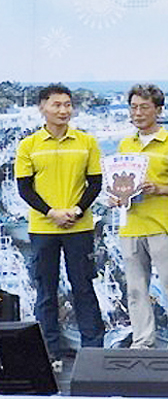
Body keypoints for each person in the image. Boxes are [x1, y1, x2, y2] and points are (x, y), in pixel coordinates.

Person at [14, 83, 105, 369]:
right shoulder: (28, 145)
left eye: (67, 105)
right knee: (46, 291)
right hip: (43, 229)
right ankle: (49, 351)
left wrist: (76, 210)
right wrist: (51, 213)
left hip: (79, 227)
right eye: (57, 104)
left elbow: (96, 183)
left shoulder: (86, 142)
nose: (63, 110)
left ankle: (93, 349)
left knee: (83, 288)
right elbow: (24, 189)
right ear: (42, 107)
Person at [114, 84, 168, 349]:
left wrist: (161, 189)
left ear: (158, 110)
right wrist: (115, 197)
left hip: (162, 225)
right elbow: (117, 182)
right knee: (135, 290)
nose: (138, 113)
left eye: (144, 107)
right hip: (130, 225)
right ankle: (142, 341)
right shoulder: (126, 143)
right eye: (133, 107)